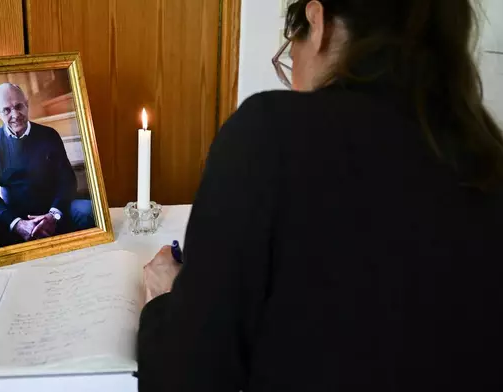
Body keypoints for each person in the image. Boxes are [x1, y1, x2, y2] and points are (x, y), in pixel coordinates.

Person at [137, 0, 503, 391]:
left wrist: (165, 306)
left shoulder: (270, 134)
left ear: (318, 21)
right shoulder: (487, 158)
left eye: (289, 58)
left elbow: (187, 375)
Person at [0, 83, 94, 253]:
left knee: (90, 211)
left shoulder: (49, 135)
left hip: (53, 212)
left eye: (19, 106)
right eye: (7, 110)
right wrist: (17, 224)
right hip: (14, 218)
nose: (15, 114)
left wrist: (53, 215)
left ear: (27, 104)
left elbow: (68, 181)